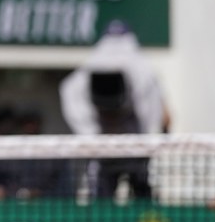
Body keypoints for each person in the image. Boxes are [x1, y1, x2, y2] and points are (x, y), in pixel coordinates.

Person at [57, 23, 168, 197]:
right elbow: (69, 90)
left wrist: (146, 139)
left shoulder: (140, 71)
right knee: (103, 205)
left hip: (135, 151)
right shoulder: (94, 69)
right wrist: (92, 134)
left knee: (142, 202)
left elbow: (150, 110)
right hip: (105, 152)